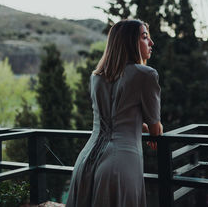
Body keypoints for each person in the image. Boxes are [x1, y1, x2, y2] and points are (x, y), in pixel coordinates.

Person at [66, 19, 163, 207]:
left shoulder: (97, 77)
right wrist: (153, 128)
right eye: (145, 37)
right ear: (129, 42)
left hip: (86, 161)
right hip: (121, 164)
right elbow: (155, 129)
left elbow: (112, 119)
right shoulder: (146, 74)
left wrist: (136, 125)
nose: (151, 43)